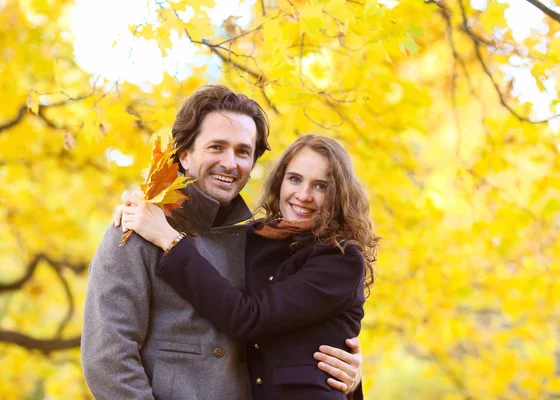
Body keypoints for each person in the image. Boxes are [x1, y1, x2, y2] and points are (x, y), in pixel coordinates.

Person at [81, 86, 363, 400]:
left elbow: (284, 322)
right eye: (217, 147)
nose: (230, 163)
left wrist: (350, 370)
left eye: (243, 151)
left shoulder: (256, 242)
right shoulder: (136, 232)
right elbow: (107, 361)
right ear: (185, 155)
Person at [120, 134, 378, 399]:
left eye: (321, 186)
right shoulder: (256, 238)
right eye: (295, 179)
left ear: (339, 195)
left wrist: (169, 240)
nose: (303, 195)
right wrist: (140, 207)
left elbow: (248, 318)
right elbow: (205, 236)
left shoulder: (340, 259)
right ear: (280, 181)